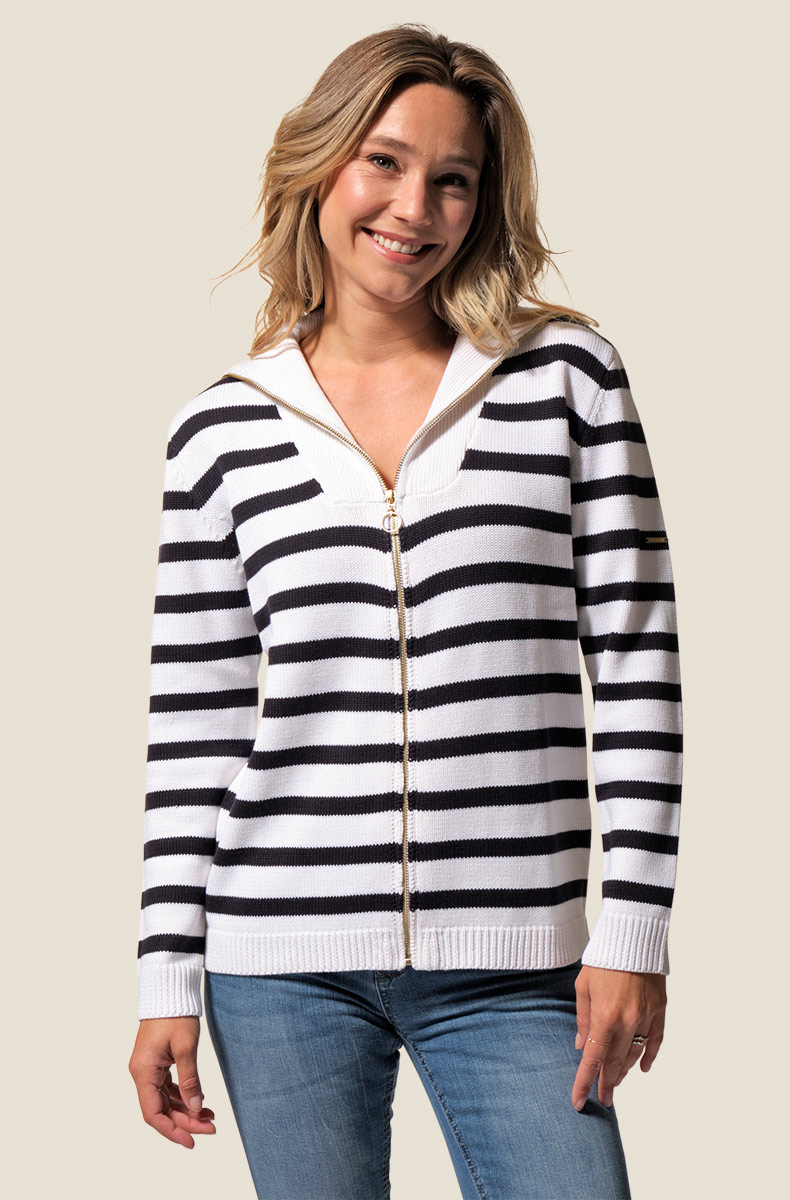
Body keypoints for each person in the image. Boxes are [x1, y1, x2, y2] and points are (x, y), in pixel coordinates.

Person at [129, 24, 683, 1200]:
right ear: (320, 165)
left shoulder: (564, 381)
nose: (412, 208)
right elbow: (195, 726)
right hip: (276, 963)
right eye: (381, 161)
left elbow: (636, 663)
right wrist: (164, 977)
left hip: (517, 962)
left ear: (483, 203)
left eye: (452, 179)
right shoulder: (220, 430)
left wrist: (631, 928)